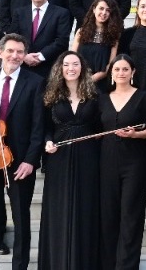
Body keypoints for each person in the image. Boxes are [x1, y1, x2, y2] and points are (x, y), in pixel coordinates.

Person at [0, 33, 46, 270]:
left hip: (20, 161)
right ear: (1, 52)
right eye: (11, 51)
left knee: (20, 217)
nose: (15, 56)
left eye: (20, 52)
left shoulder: (34, 82)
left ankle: (20, 266)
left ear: (25, 55)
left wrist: (30, 161)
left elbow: (39, 126)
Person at [37, 52, 102, 269]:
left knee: (86, 208)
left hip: (89, 157)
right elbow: (45, 128)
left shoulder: (94, 94)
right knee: (59, 209)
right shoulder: (51, 94)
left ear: (82, 68)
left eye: (75, 64)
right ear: (60, 68)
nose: (71, 68)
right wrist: (47, 142)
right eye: (66, 64)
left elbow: (101, 127)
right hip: (59, 156)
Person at [98, 55, 146, 270]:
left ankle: (127, 266)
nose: (121, 73)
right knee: (108, 217)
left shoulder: (143, 97)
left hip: (134, 163)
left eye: (125, 69)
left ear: (133, 72)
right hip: (106, 163)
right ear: (111, 73)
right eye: (117, 69)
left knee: (131, 217)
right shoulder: (102, 99)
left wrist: (135, 135)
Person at [7, 0, 72, 78]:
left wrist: (41, 56)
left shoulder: (61, 13)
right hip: (22, 67)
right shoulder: (19, 13)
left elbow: (62, 41)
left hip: (49, 68)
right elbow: (13, 38)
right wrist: (24, 56)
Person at [71, 0, 120, 85]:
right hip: (78, 80)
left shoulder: (114, 36)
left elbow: (110, 65)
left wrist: (92, 79)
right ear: (94, 9)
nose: (104, 12)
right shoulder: (81, 32)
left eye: (108, 10)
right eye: (101, 8)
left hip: (101, 83)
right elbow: (72, 58)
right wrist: (81, 79)